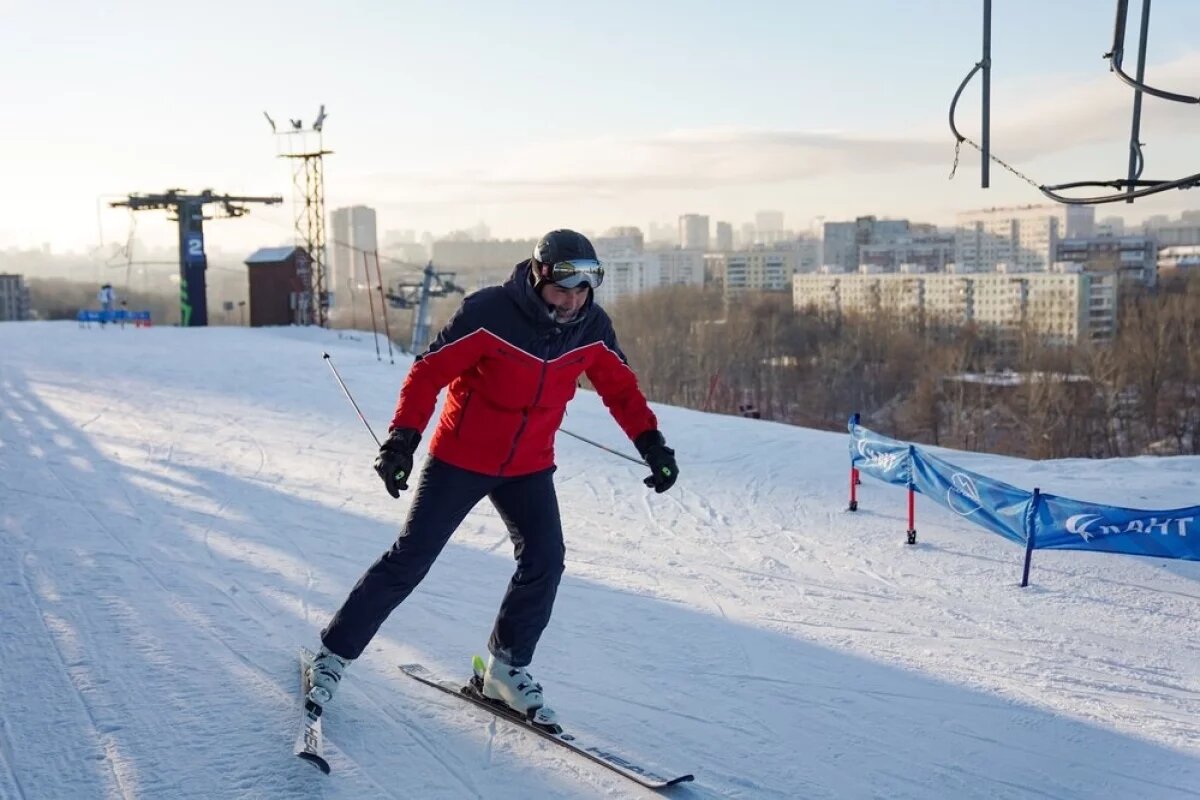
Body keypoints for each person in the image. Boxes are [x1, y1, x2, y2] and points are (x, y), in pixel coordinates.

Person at [307, 229, 679, 722]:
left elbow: (621, 390)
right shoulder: (489, 314)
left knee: (546, 559)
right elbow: (427, 374)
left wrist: (651, 443)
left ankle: (504, 669)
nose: (571, 302)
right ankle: (332, 655)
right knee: (411, 558)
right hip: (460, 458)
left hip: (528, 465)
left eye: (581, 291)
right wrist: (402, 440)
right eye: (562, 289)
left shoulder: (591, 328)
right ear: (538, 275)